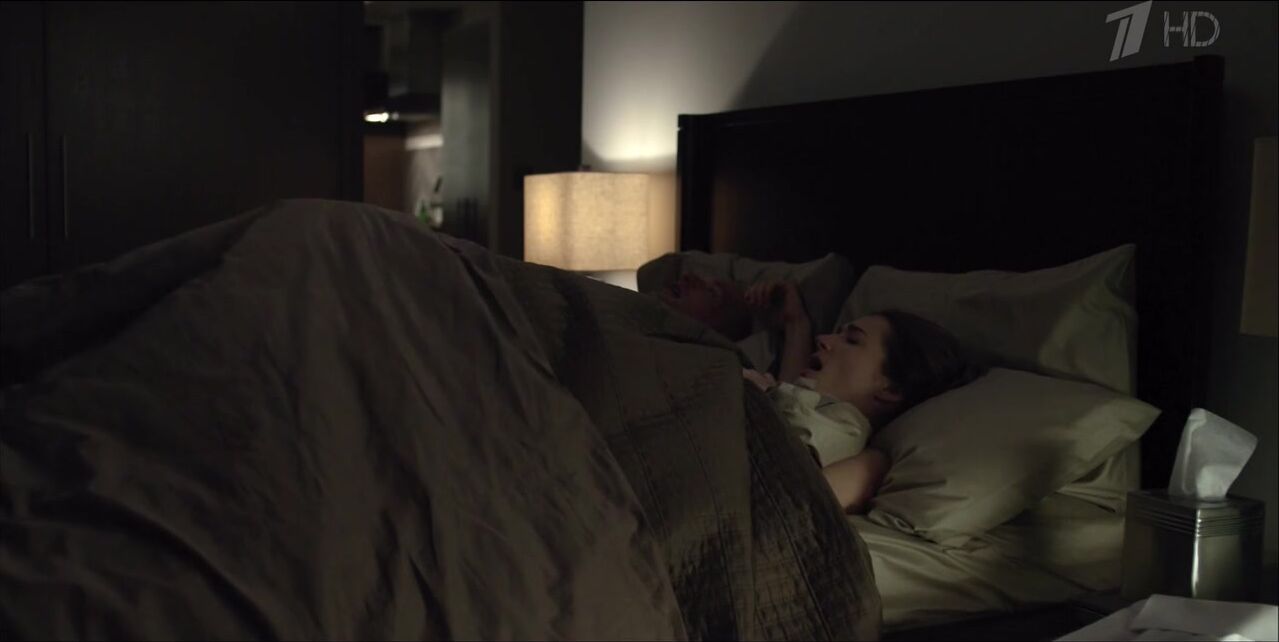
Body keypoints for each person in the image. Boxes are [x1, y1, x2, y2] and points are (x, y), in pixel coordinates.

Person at [741, 280, 982, 515]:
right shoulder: (811, 407)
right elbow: (791, 394)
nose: (822, 339)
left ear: (891, 389)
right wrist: (796, 324)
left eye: (852, 341)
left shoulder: (853, 441)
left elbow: (785, 494)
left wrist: (761, 397)